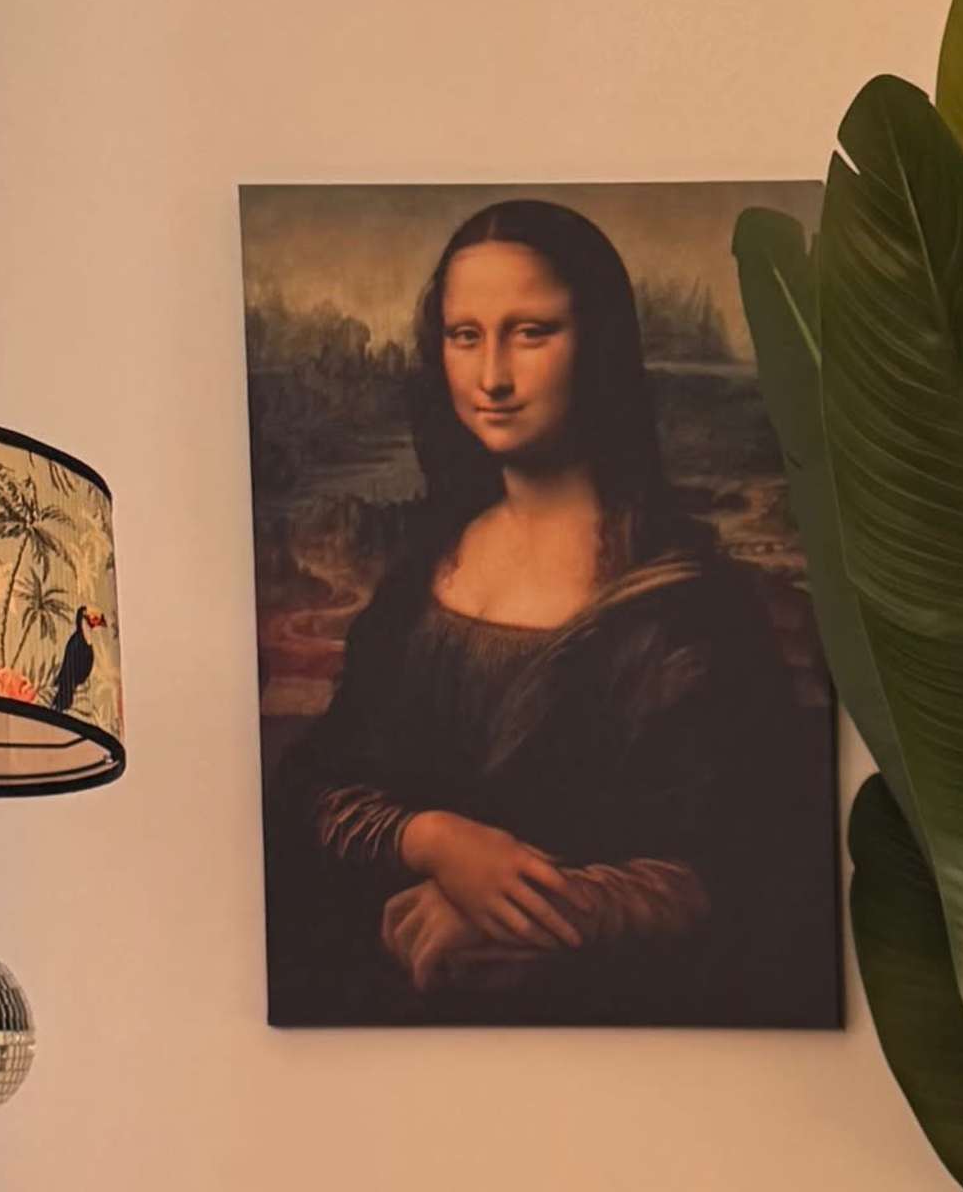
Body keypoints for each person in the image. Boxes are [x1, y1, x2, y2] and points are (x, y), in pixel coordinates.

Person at [264, 198, 830, 1024]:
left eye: (531, 333)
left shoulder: (687, 607)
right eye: (466, 336)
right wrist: (435, 840)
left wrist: (512, 906)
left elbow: (743, 867)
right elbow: (316, 789)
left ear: (596, 345)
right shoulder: (423, 576)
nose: (492, 375)